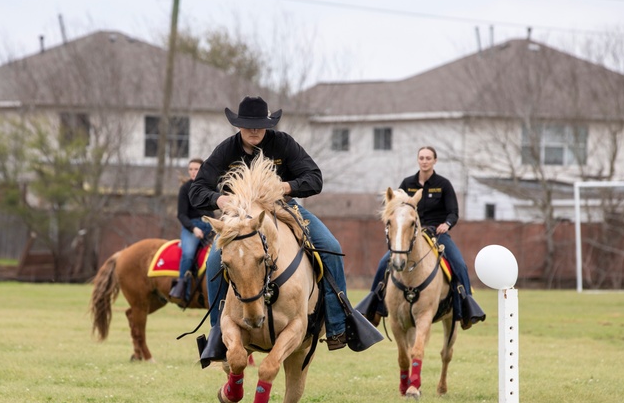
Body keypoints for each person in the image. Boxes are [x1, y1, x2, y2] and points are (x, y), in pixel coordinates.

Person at [190, 95, 356, 358]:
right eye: (247, 124)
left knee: (330, 246)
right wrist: (219, 198)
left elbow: (315, 178)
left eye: (259, 124)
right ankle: (217, 336)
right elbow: (197, 190)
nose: (254, 130)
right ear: (238, 125)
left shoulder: (284, 143)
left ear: (268, 124)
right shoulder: (226, 150)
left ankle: (338, 324)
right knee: (213, 262)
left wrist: (286, 186)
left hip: (284, 208)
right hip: (240, 217)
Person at [356, 145, 486, 330]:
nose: (424, 161)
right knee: (384, 263)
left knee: (459, 264)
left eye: (428, 158)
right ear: (418, 160)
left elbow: (453, 212)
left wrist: (446, 224)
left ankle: (466, 308)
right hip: (411, 235)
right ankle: (373, 308)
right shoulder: (407, 183)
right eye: (422, 158)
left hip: (437, 234)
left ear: (434, 161)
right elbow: (396, 208)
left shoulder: (444, 184)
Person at [169, 157, 215, 303]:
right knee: (188, 254)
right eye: (191, 169)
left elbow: (212, 211)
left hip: (210, 225)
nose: (193, 172)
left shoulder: (210, 187)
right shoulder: (185, 189)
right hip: (191, 227)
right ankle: (181, 287)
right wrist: (194, 229)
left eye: (196, 169)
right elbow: (181, 215)